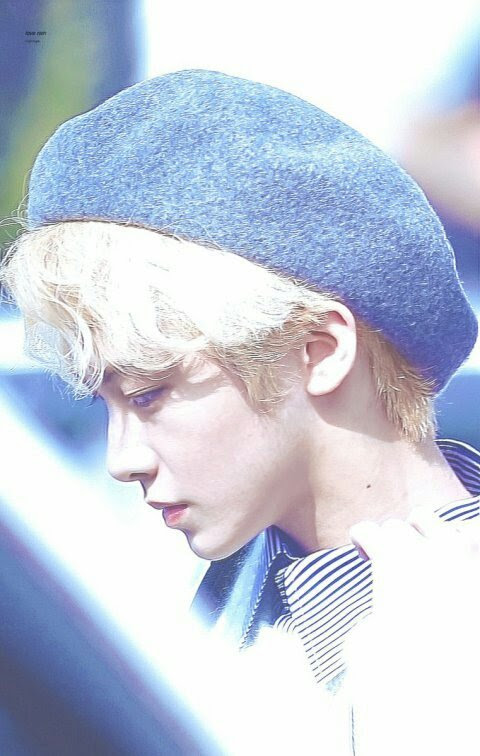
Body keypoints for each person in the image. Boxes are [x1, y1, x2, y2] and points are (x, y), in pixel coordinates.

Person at [1, 70, 479, 754]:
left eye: (148, 393)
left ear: (319, 351)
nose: (121, 458)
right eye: (105, 401)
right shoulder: (182, 602)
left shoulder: (447, 636)